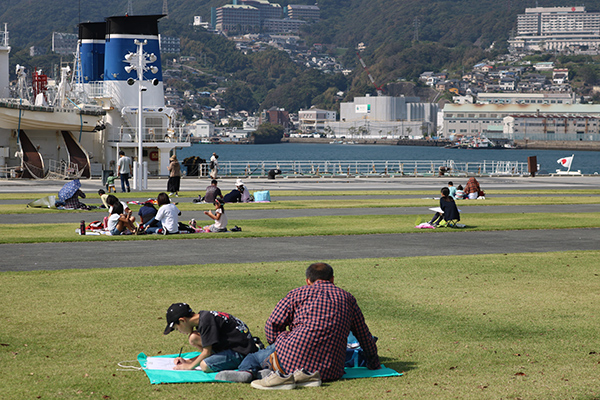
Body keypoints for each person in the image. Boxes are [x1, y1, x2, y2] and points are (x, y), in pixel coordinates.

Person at [248, 263, 380, 390]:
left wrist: (277, 346)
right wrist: (373, 363)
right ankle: (303, 376)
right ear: (332, 279)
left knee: (252, 358)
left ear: (308, 281)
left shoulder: (297, 294)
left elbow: (273, 325)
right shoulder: (347, 298)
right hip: (332, 371)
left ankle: (250, 372)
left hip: (290, 362)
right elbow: (363, 335)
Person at [162, 303, 258, 372]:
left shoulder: (206, 322)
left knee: (205, 365)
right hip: (235, 346)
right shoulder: (204, 317)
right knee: (193, 338)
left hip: (241, 352)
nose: (180, 331)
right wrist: (187, 361)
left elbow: (207, 352)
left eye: (177, 328)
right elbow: (208, 350)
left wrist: (189, 366)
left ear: (182, 320)